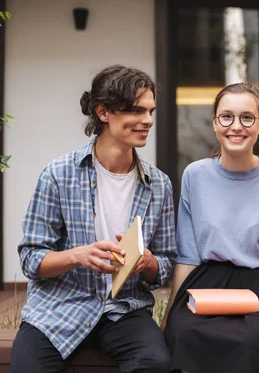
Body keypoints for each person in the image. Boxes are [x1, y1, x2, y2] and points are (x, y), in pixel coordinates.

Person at [11, 65, 177, 373]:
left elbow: (166, 264)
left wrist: (148, 262)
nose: (148, 121)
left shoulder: (159, 185)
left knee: (155, 363)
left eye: (151, 111)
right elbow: (31, 259)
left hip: (124, 310)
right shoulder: (58, 174)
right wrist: (79, 256)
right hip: (58, 307)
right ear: (103, 112)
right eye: (137, 111)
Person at [163, 83, 259, 373]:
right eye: (227, 117)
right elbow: (188, 256)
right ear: (216, 122)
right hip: (206, 282)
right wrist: (169, 316)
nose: (236, 126)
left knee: (250, 342)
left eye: (247, 118)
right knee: (183, 333)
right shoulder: (195, 175)